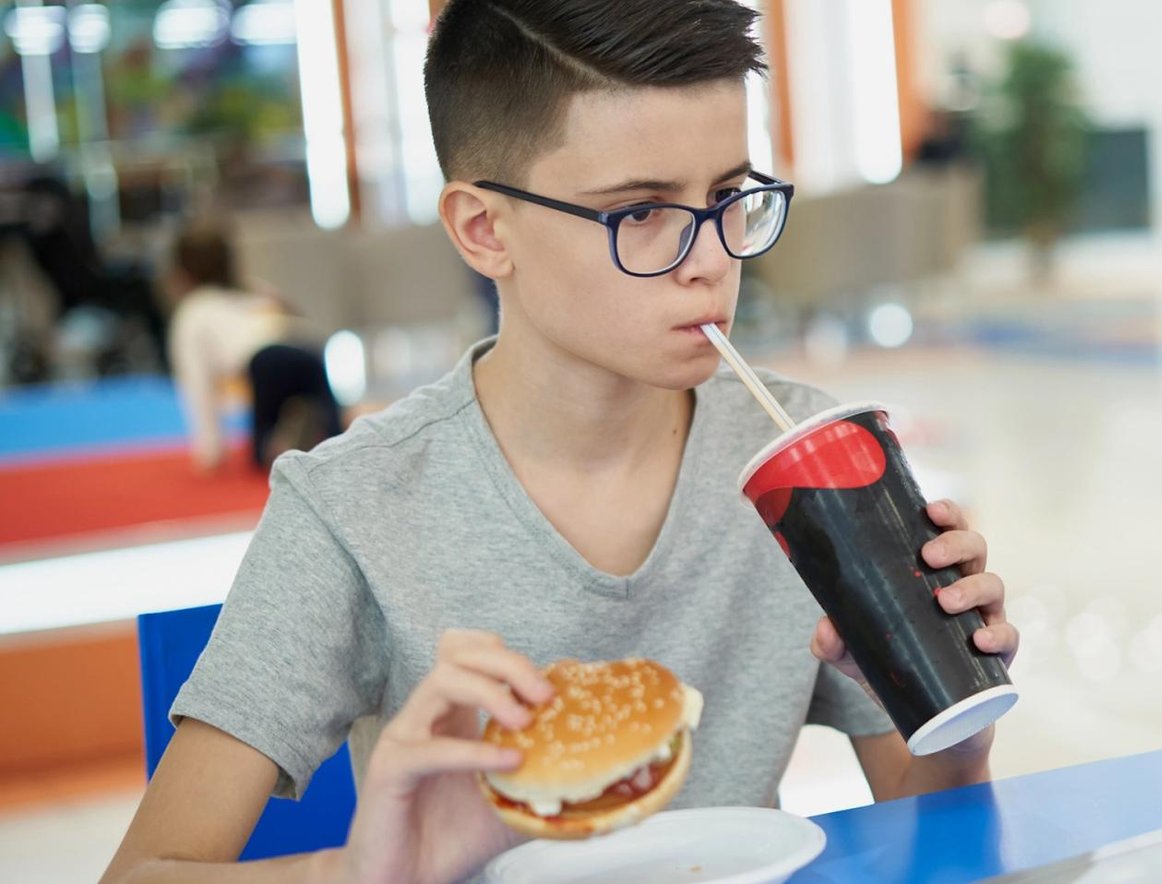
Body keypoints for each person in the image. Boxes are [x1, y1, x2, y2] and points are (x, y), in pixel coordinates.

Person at [103, 2, 1020, 882]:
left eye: (730, 195)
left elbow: (930, 835)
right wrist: (371, 873)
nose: (712, 258)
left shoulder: (798, 465)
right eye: (641, 213)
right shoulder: (353, 505)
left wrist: (952, 715)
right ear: (483, 229)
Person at [164, 225, 342, 473]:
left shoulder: (193, 312)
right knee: (336, 433)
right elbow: (293, 312)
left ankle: (275, 446)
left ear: (181, 273)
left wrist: (211, 450)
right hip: (307, 350)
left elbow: (197, 384)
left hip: (266, 360)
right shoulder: (254, 289)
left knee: (261, 456)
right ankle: (336, 440)